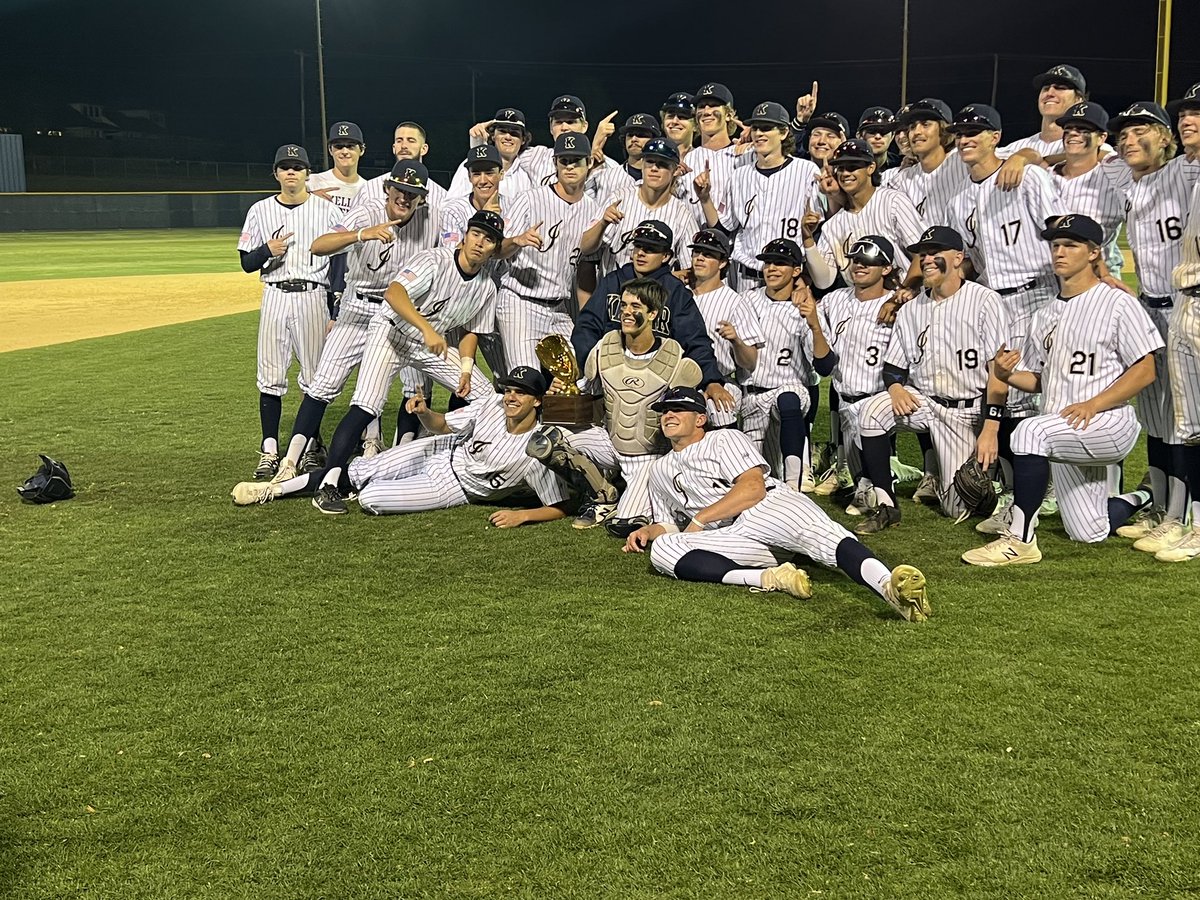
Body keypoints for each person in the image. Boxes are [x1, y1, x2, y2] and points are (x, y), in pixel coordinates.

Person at [622, 386, 931, 623]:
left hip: (768, 507)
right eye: (664, 411)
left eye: (678, 409)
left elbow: (752, 488)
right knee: (662, 551)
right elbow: (670, 524)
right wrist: (649, 531)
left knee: (823, 537)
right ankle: (771, 578)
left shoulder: (724, 439)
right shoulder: (660, 470)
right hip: (735, 538)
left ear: (700, 419)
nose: (668, 416)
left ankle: (888, 587)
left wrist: (701, 519)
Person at [962, 215, 1161, 565]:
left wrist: (1094, 404)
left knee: (1027, 432)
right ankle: (1144, 495)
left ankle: (1019, 541)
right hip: (1065, 428)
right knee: (1088, 531)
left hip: (1108, 422)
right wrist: (1006, 375)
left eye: (1071, 245)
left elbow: (1145, 370)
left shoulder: (1116, 302)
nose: (1060, 252)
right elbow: (1040, 380)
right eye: (1056, 245)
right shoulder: (1046, 314)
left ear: (1094, 252)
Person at [304, 211, 506, 513]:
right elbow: (394, 293)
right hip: (390, 332)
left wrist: (465, 368)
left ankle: (475, 459)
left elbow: (471, 330)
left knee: (486, 395)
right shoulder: (434, 260)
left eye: (489, 239)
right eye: (476, 233)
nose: (480, 242)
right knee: (366, 405)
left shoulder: (486, 287)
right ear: (465, 235)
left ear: (494, 249)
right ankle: (329, 484)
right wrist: (426, 328)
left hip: (428, 345)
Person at [262, 160, 447, 485]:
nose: (404, 199)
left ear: (422, 198)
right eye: (399, 191)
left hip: (401, 319)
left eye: (412, 194)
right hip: (358, 312)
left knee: (413, 387)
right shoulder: (367, 210)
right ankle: (290, 462)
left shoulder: (432, 220)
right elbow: (318, 246)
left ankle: (396, 459)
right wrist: (362, 234)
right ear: (388, 188)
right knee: (322, 387)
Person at [231, 367, 571, 527]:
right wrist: (424, 413)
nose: (511, 397)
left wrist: (522, 516)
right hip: (442, 449)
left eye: (520, 392)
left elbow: (559, 505)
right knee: (359, 469)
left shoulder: (537, 447)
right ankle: (273, 491)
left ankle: (352, 489)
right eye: (509, 389)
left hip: (454, 486)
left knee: (371, 498)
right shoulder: (491, 404)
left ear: (538, 401)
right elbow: (442, 425)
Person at [853, 226, 1012, 534]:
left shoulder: (985, 301)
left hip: (966, 413)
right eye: (922, 254)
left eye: (934, 253)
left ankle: (992, 485)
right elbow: (893, 367)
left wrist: (991, 429)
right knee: (871, 412)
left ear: (958, 258)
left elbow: (998, 373)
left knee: (959, 505)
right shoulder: (912, 309)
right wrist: (896, 387)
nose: (925, 260)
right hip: (924, 402)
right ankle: (887, 505)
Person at [535, 277, 703, 534]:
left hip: (649, 456)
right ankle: (602, 495)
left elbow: (687, 418)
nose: (626, 312)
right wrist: (564, 390)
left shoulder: (673, 356)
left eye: (636, 307)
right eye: (623, 305)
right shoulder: (606, 347)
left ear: (653, 314)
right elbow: (587, 390)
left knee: (624, 526)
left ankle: (631, 501)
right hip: (609, 443)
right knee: (544, 441)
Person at [1106, 100, 1200, 549]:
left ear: (1166, 137)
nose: (1128, 139)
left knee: (1186, 420)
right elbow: (1066, 158)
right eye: (1123, 132)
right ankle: (1164, 507)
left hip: (1185, 304)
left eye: (1141, 129)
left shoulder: (1185, 170)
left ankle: (1184, 515)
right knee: (1158, 419)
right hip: (1151, 307)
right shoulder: (1126, 179)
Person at [236, 143, 341, 479]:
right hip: (275, 295)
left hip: (313, 295)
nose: (291, 172)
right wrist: (267, 249)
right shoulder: (260, 210)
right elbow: (245, 263)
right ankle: (269, 449)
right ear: (276, 173)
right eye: (285, 167)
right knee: (270, 376)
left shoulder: (326, 211)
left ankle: (312, 446)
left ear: (307, 173)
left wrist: (334, 304)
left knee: (315, 378)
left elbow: (341, 258)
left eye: (297, 167)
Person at [572, 220, 734, 416]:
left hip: (657, 380)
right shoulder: (613, 282)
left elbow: (695, 339)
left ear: (666, 256)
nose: (641, 253)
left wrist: (711, 380)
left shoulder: (675, 292)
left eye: (650, 249)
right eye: (638, 246)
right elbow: (586, 328)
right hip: (610, 373)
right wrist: (592, 367)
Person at [805, 236, 903, 504]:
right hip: (846, 403)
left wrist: (902, 298)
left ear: (885, 268)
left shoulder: (898, 306)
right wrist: (813, 322)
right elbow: (824, 362)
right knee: (861, 488)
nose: (859, 265)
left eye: (868, 261)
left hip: (882, 403)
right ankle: (869, 481)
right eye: (856, 260)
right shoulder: (835, 300)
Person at [494, 132, 601, 371]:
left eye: (577, 160)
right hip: (520, 303)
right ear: (555, 163)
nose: (570, 166)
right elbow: (497, 251)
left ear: (590, 163)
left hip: (559, 309)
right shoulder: (530, 199)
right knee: (525, 379)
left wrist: (585, 318)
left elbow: (585, 267)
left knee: (582, 376)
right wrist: (516, 240)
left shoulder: (592, 209)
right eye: (564, 160)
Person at [695, 101, 820, 292]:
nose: (759, 134)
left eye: (767, 128)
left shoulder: (806, 170)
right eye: (756, 128)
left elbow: (817, 229)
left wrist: (807, 276)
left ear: (784, 133)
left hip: (788, 277)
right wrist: (705, 199)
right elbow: (724, 228)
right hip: (746, 276)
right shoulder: (739, 175)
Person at [739, 239, 831, 491]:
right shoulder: (747, 301)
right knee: (757, 484)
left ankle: (795, 484)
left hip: (790, 391)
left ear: (797, 270)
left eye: (780, 263)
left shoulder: (806, 308)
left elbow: (824, 367)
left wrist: (813, 324)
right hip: (753, 400)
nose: (771, 268)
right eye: (768, 262)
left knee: (789, 398)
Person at [1158, 82, 1200, 563]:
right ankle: (1189, 522)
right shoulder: (1189, 173)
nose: (1187, 119)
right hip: (1186, 303)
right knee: (1191, 427)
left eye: (1197, 113)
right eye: (1184, 113)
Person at [803, 138, 924, 291]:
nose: (845, 173)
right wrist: (807, 239)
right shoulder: (833, 225)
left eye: (853, 167)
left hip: (905, 298)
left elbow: (921, 254)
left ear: (871, 168)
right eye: (841, 168)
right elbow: (823, 281)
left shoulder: (893, 202)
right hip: (861, 306)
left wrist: (904, 293)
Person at [581, 137, 700, 274]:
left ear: (675, 170)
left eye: (662, 164)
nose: (654, 168)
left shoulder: (682, 214)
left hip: (656, 293)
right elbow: (586, 248)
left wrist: (668, 280)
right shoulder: (619, 198)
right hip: (614, 291)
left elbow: (690, 269)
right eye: (649, 162)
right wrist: (602, 224)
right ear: (642, 164)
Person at [686, 228, 764, 427]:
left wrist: (737, 341)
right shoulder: (680, 294)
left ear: (723, 263)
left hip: (722, 380)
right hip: (681, 379)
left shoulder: (734, 302)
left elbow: (751, 362)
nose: (700, 258)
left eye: (708, 254)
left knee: (720, 409)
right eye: (697, 252)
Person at [1047, 102, 1126, 276]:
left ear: (1101, 138)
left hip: (1099, 279)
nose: (1073, 133)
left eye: (1083, 129)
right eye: (1068, 129)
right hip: (1049, 283)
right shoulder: (1043, 175)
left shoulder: (1114, 178)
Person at [887, 98, 969, 228]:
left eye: (926, 124)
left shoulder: (963, 161)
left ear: (943, 130)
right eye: (912, 127)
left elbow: (1005, 152)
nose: (917, 132)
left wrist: (1014, 158)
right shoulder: (902, 180)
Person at [351, 121, 447, 210]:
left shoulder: (441, 196)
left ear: (424, 149)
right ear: (394, 148)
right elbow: (349, 227)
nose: (404, 145)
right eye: (399, 140)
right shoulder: (370, 188)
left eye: (411, 140)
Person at [450, 107, 534, 202]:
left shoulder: (528, 173)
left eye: (514, 133)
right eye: (502, 131)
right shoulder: (472, 165)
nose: (508, 137)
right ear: (493, 136)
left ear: (523, 139)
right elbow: (450, 205)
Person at [306, 121, 367, 213]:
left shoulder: (368, 189)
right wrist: (308, 198)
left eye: (350, 146)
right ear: (330, 150)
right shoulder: (312, 182)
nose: (345, 151)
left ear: (362, 150)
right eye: (339, 146)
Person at [857, 106, 900, 176]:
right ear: (860, 136)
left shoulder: (901, 165)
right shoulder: (850, 166)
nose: (878, 136)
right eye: (872, 131)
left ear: (892, 136)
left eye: (884, 132)